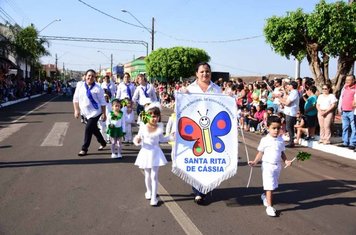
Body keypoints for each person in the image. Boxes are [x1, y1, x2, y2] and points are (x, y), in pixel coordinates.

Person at [185, 62, 221, 204]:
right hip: (194, 130)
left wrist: (230, 97)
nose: (205, 74)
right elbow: (183, 110)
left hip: (212, 130)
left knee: (207, 160)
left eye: (207, 71)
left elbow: (222, 108)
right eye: (202, 72)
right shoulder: (189, 89)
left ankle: (204, 187)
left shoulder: (217, 89)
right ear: (196, 74)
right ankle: (198, 191)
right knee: (197, 158)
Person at [248, 115, 292, 217]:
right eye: (273, 128)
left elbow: (282, 153)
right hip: (267, 165)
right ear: (268, 127)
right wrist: (255, 162)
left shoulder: (281, 140)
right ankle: (269, 206)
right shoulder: (265, 140)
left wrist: (286, 161)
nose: (276, 130)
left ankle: (264, 196)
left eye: (278, 128)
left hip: (277, 166)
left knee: (272, 185)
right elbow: (260, 152)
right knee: (270, 186)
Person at [133, 103, 172, 206]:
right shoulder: (143, 126)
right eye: (151, 116)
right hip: (145, 152)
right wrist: (137, 140)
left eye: (155, 116)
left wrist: (171, 137)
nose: (153, 118)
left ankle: (154, 198)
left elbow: (162, 139)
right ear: (147, 116)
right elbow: (138, 138)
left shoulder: (159, 127)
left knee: (154, 176)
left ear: (158, 117)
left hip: (155, 153)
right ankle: (149, 192)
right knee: (147, 174)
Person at [73, 69, 107, 156]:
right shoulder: (80, 85)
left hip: (96, 112)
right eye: (89, 75)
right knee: (94, 129)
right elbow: (75, 99)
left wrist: (104, 113)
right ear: (85, 76)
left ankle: (84, 149)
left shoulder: (98, 88)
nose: (90, 77)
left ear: (95, 78)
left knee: (88, 128)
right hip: (85, 113)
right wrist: (76, 110)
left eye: (92, 76)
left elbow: (103, 102)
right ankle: (103, 142)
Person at [337, 75, 356, 149]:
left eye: (349, 80)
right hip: (344, 110)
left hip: (352, 111)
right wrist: (339, 107)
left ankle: (353, 143)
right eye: (346, 80)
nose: (347, 81)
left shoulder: (355, 88)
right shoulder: (344, 88)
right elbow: (341, 98)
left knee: (353, 128)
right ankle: (345, 142)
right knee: (345, 127)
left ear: (354, 80)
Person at [280, 81, 300, 147]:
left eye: (289, 85)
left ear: (292, 86)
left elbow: (288, 103)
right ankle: (291, 141)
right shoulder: (292, 92)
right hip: (289, 112)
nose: (288, 86)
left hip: (291, 113)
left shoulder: (294, 93)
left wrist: (280, 100)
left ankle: (291, 142)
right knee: (289, 127)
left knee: (289, 127)